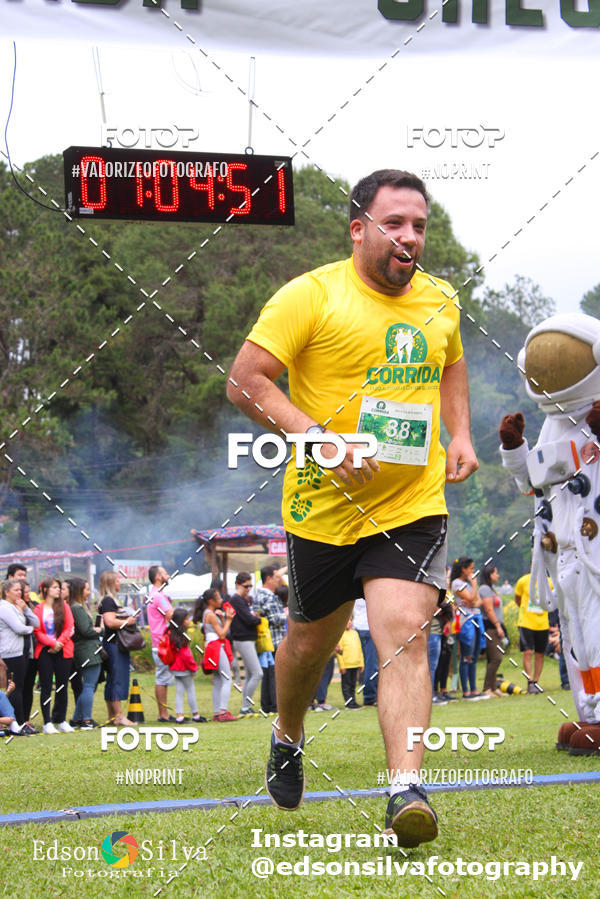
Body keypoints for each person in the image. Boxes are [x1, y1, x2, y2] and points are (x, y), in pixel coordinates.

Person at [227, 168, 478, 845]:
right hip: (324, 510)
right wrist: (318, 439)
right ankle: (287, 733)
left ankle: (405, 791)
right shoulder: (310, 296)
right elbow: (245, 382)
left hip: (412, 501)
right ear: (358, 227)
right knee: (308, 643)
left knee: (403, 627)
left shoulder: (441, 299)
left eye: (419, 225)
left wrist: (459, 431)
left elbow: (451, 361)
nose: (410, 237)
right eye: (395, 223)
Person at [33, 577, 76, 734]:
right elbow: (37, 630)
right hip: (45, 650)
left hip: (63, 649)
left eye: (59, 587)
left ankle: (61, 719)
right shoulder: (39, 608)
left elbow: (69, 626)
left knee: (62, 686)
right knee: (46, 686)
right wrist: (51, 644)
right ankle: (47, 721)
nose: (58, 590)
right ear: (45, 590)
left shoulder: (64, 606)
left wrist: (59, 643)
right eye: (54, 587)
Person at [97, 570, 136, 726]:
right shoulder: (108, 601)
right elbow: (110, 622)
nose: (120, 583)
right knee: (117, 680)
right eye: (118, 581)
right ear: (111, 583)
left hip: (113, 644)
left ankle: (112, 716)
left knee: (113, 680)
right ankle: (119, 716)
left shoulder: (108, 601)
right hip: (114, 644)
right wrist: (128, 621)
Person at [0, 579, 37, 733]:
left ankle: (20, 722)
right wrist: (30, 629)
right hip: (9, 653)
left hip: (19, 652)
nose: (19, 593)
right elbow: (19, 628)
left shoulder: (16, 607)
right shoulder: (4, 607)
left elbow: (36, 623)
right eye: (15, 590)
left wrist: (25, 610)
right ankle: (17, 723)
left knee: (20, 688)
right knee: (15, 688)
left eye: (20, 590)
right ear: (6, 592)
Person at [450, 558, 487, 701]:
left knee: (475, 655)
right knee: (467, 655)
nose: (472, 571)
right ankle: (466, 691)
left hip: (476, 619)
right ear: (463, 569)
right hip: (466, 621)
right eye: (470, 568)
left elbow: (479, 601)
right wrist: (474, 584)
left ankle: (474, 689)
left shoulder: (467, 584)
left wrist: (473, 598)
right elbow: (472, 600)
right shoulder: (457, 583)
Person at [198, 588, 237, 722]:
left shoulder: (207, 613)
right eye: (219, 598)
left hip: (211, 648)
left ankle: (217, 712)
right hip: (216, 648)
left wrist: (223, 617)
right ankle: (223, 711)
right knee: (227, 678)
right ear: (211, 601)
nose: (221, 600)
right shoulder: (211, 615)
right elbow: (222, 634)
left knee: (218, 680)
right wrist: (229, 620)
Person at [68, 577, 102, 728]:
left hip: (84, 650)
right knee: (89, 685)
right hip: (88, 650)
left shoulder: (75, 607)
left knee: (89, 685)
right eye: (87, 589)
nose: (89, 592)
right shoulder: (77, 608)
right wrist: (99, 630)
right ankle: (86, 719)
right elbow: (86, 631)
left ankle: (77, 718)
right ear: (79, 591)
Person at [253, 565, 287, 715]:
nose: (277, 580)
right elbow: (274, 619)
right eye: (275, 577)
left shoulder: (258, 594)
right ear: (268, 579)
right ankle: (275, 705)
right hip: (275, 639)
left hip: (265, 641)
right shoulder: (269, 596)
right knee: (274, 675)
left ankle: (266, 705)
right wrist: (287, 614)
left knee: (267, 674)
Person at [228, 571, 263, 716]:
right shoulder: (236, 599)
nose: (248, 589)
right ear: (237, 585)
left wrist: (254, 617)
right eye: (245, 586)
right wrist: (258, 619)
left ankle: (245, 706)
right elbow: (249, 619)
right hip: (243, 640)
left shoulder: (242, 599)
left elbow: (249, 617)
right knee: (257, 673)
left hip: (246, 639)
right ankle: (245, 706)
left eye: (250, 586)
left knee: (250, 675)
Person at [146, 565, 175, 722]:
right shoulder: (158, 596)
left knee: (162, 678)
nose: (168, 575)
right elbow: (170, 613)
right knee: (162, 679)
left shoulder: (153, 594)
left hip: (158, 642)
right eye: (165, 573)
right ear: (158, 577)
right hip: (162, 643)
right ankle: (163, 714)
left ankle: (163, 712)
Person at [166, 606, 204, 723]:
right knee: (190, 690)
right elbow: (187, 656)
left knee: (179, 692)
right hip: (185, 669)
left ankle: (179, 715)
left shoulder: (171, 635)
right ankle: (196, 714)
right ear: (181, 621)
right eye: (187, 619)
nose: (189, 621)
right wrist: (194, 669)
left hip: (175, 669)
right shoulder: (182, 637)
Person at [514, 570, 550, 694]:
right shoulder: (523, 581)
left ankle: (536, 681)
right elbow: (517, 599)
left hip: (543, 623)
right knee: (528, 652)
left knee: (540, 653)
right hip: (526, 622)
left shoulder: (549, 582)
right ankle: (529, 681)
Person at [478, 564, 507, 698]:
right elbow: (489, 610)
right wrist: (498, 626)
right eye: (496, 573)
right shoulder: (484, 589)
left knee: (493, 658)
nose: (498, 575)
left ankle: (493, 688)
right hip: (490, 627)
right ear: (490, 574)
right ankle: (486, 688)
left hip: (495, 627)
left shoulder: (491, 589)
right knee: (497, 657)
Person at [352, 597, 378, 706]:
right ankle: (370, 696)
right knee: (371, 664)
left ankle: (352, 696)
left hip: (357, 626)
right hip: (369, 627)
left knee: (361, 663)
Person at [335, 617, 364, 708]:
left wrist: (361, 663)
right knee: (346, 685)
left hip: (355, 664)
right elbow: (339, 652)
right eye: (347, 620)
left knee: (353, 685)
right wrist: (341, 666)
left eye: (351, 620)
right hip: (346, 665)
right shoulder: (340, 635)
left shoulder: (355, 633)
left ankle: (353, 701)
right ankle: (349, 703)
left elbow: (359, 649)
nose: (349, 622)